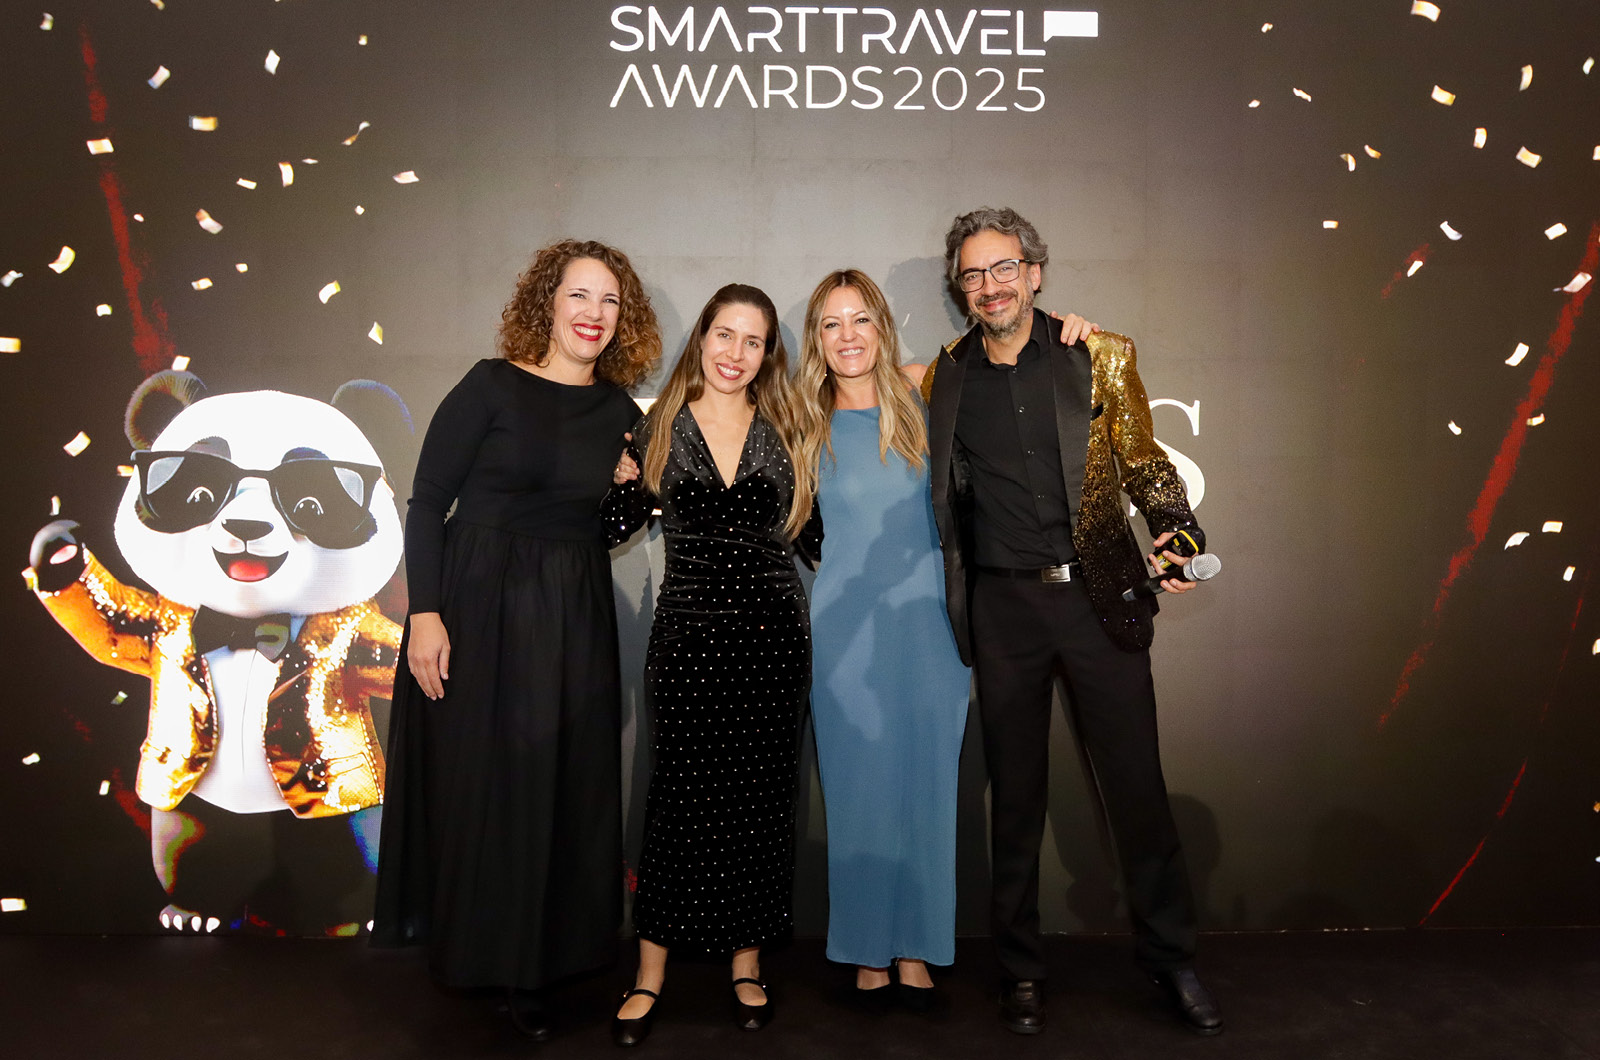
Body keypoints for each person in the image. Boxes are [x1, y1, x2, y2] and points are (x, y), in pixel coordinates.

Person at [923, 207, 1222, 1036]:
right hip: (1003, 610)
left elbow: (1145, 462)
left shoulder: (1100, 354)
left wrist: (1179, 532)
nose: (990, 286)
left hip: (1098, 600)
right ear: (960, 288)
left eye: (1004, 268)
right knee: (1014, 799)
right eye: (973, 274)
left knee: (1137, 790)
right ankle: (1020, 969)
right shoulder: (945, 378)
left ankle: (1172, 959)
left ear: (1034, 272)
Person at [371, 239, 660, 1041]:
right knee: (484, 787)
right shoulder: (490, 385)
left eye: (609, 300)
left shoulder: (621, 415)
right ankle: (478, 955)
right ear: (548, 303)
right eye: (579, 295)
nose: (594, 314)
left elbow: (614, 528)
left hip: (570, 615)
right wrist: (426, 612)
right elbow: (427, 501)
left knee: (557, 789)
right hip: (476, 605)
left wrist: (630, 487)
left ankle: (536, 966)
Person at [604, 283, 820, 1047]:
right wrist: (612, 476)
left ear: (768, 354)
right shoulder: (658, 425)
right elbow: (610, 528)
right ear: (702, 338)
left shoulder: (790, 426)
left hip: (772, 644)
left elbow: (820, 538)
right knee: (676, 804)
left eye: (753, 341)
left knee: (760, 804)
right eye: (724, 335)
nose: (736, 353)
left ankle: (746, 963)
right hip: (689, 644)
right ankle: (649, 972)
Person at [791, 269, 969, 1007]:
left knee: (928, 787)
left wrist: (1075, 329)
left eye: (860, 319)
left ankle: (918, 944)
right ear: (816, 339)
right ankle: (867, 947)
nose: (848, 336)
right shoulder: (800, 421)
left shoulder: (929, 396)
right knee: (859, 790)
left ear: (882, 327)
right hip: (846, 632)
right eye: (831, 323)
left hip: (931, 626)